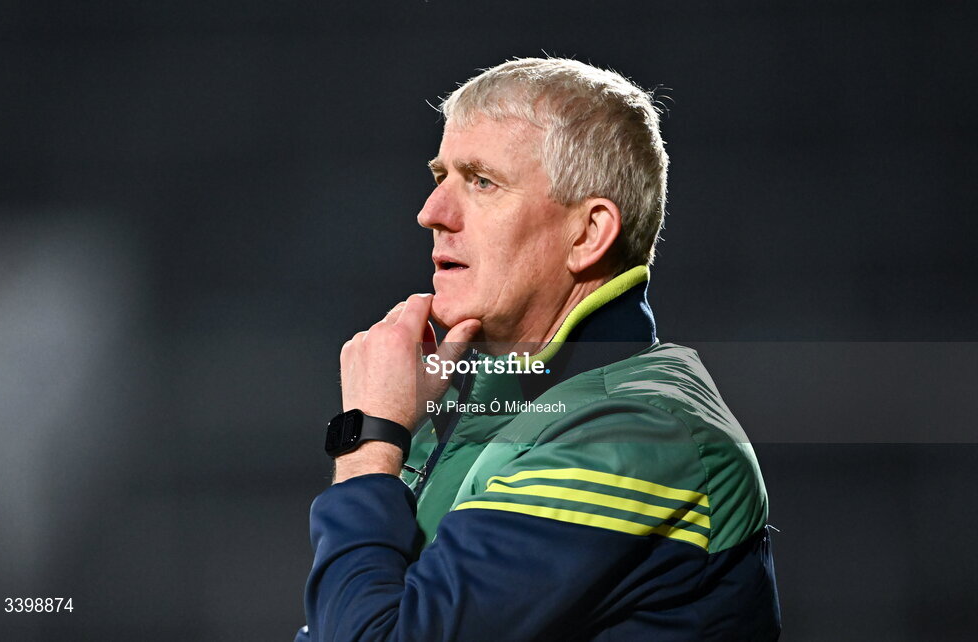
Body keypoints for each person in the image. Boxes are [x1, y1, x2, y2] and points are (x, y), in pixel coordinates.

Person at [296, 57, 781, 641]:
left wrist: (368, 438)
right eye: (439, 177)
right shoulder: (475, 408)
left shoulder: (636, 433)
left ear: (587, 234)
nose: (432, 214)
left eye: (481, 181)